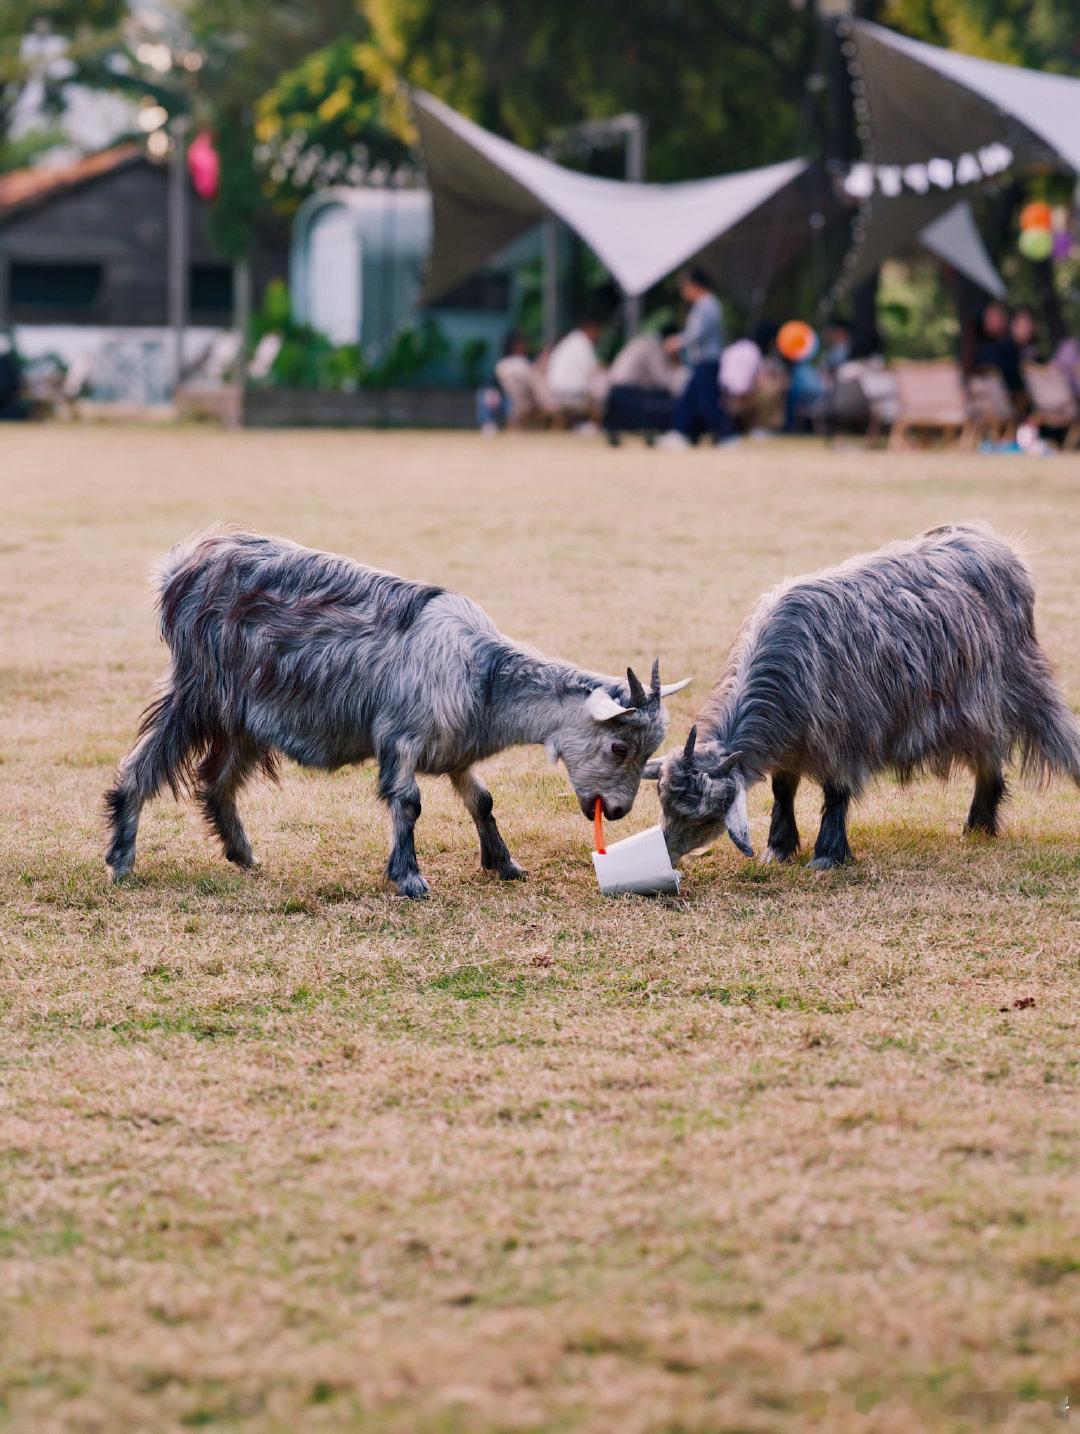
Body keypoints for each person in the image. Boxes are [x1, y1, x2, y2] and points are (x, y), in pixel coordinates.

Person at [656, 268, 733, 449]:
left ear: (695, 285)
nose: (683, 292)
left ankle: (726, 435)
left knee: (707, 401)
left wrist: (677, 342)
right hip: (703, 361)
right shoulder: (707, 305)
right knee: (691, 398)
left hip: (707, 361)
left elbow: (696, 333)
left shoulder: (707, 305)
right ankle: (681, 433)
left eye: (685, 287)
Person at [600, 325, 684, 442]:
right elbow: (663, 381)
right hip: (626, 391)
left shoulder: (644, 341)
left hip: (616, 389)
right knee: (666, 403)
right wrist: (676, 364)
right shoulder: (653, 346)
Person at [545, 315, 605, 417]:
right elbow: (593, 373)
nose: (599, 335)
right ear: (591, 328)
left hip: (556, 394)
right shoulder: (582, 342)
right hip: (571, 395)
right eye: (598, 331)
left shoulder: (571, 341)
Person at [973, 302, 1024, 398]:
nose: (992, 320)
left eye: (997, 316)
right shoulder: (983, 351)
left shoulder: (1011, 346)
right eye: (989, 318)